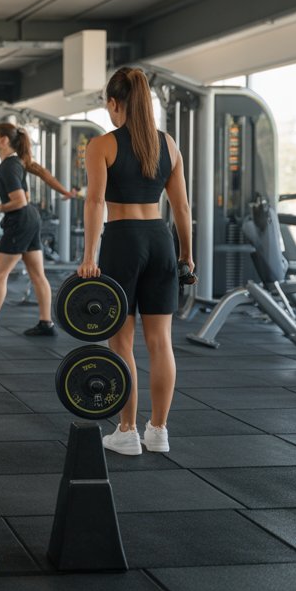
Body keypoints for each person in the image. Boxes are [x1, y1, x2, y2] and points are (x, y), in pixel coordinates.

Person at [80, 67, 193, 456]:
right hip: (161, 241)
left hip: (122, 241)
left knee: (121, 342)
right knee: (161, 342)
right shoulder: (168, 145)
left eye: (107, 105)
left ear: (114, 103)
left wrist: (88, 257)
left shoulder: (102, 145)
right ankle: (158, 431)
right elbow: (181, 207)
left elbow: (95, 202)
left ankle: (127, 431)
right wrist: (186, 255)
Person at [0, 123, 73, 339]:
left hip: (20, 221)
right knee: (37, 274)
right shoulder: (17, 163)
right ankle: (46, 323)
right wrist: (65, 192)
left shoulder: (8, 167)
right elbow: (27, 196)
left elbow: (20, 201)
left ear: (4, 140)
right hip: (30, 219)